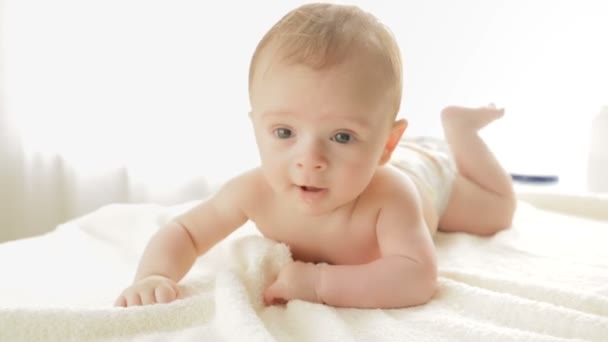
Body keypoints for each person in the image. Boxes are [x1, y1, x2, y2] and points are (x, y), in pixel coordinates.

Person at [115, 2, 516, 309]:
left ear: (385, 146)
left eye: (342, 136)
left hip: (427, 173)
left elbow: (416, 277)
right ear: (257, 128)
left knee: (498, 211)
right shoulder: (253, 191)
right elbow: (185, 231)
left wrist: (317, 284)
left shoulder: (392, 198)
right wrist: (154, 274)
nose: (310, 160)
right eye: (285, 132)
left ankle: (460, 133)